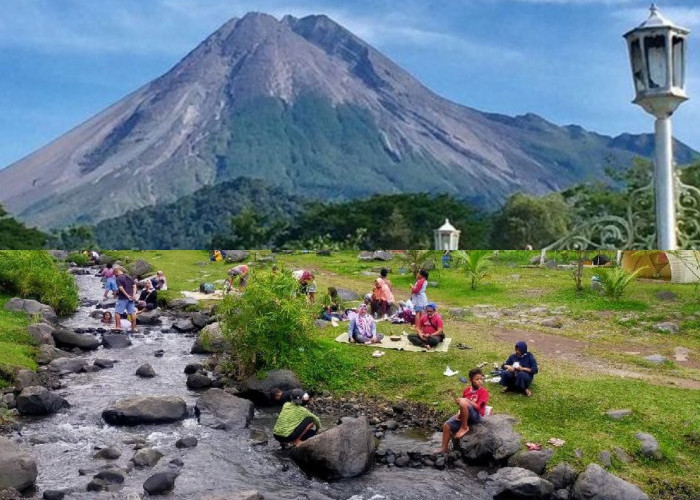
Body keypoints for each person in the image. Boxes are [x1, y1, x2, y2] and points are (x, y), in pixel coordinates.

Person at [439, 368, 489, 453]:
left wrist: (467, 401)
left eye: (481, 379)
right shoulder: (466, 390)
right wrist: (459, 413)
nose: (480, 381)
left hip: (476, 416)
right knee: (446, 425)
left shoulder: (483, 392)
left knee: (463, 401)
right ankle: (444, 449)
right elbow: (462, 406)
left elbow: (478, 407)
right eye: (477, 379)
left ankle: (464, 427)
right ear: (471, 380)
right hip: (466, 414)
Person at [114, 266, 138, 333]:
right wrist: (133, 295)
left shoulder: (118, 278)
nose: (114, 275)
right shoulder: (129, 276)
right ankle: (133, 328)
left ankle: (118, 326)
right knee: (132, 312)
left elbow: (121, 288)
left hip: (122, 298)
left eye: (114, 273)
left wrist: (127, 296)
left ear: (116, 271)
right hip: (131, 298)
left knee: (117, 312)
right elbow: (134, 286)